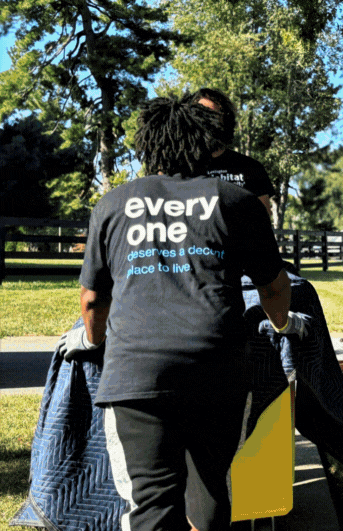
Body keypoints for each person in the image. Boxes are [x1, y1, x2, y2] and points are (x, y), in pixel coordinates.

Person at [75, 96, 306, 531]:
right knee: (210, 492)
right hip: (215, 365)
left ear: (148, 145)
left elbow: (92, 299)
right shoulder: (236, 201)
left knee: (153, 501)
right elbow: (275, 286)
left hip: (136, 373)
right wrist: (282, 324)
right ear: (206, 143)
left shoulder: (113, 204)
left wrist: (96, 342)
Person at [187, 88, 276, 216]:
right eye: (201, 115)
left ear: (226, 121)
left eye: (213, 115)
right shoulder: (180, 169)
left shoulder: (251, 169)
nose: (207, 121)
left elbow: (264, 224)